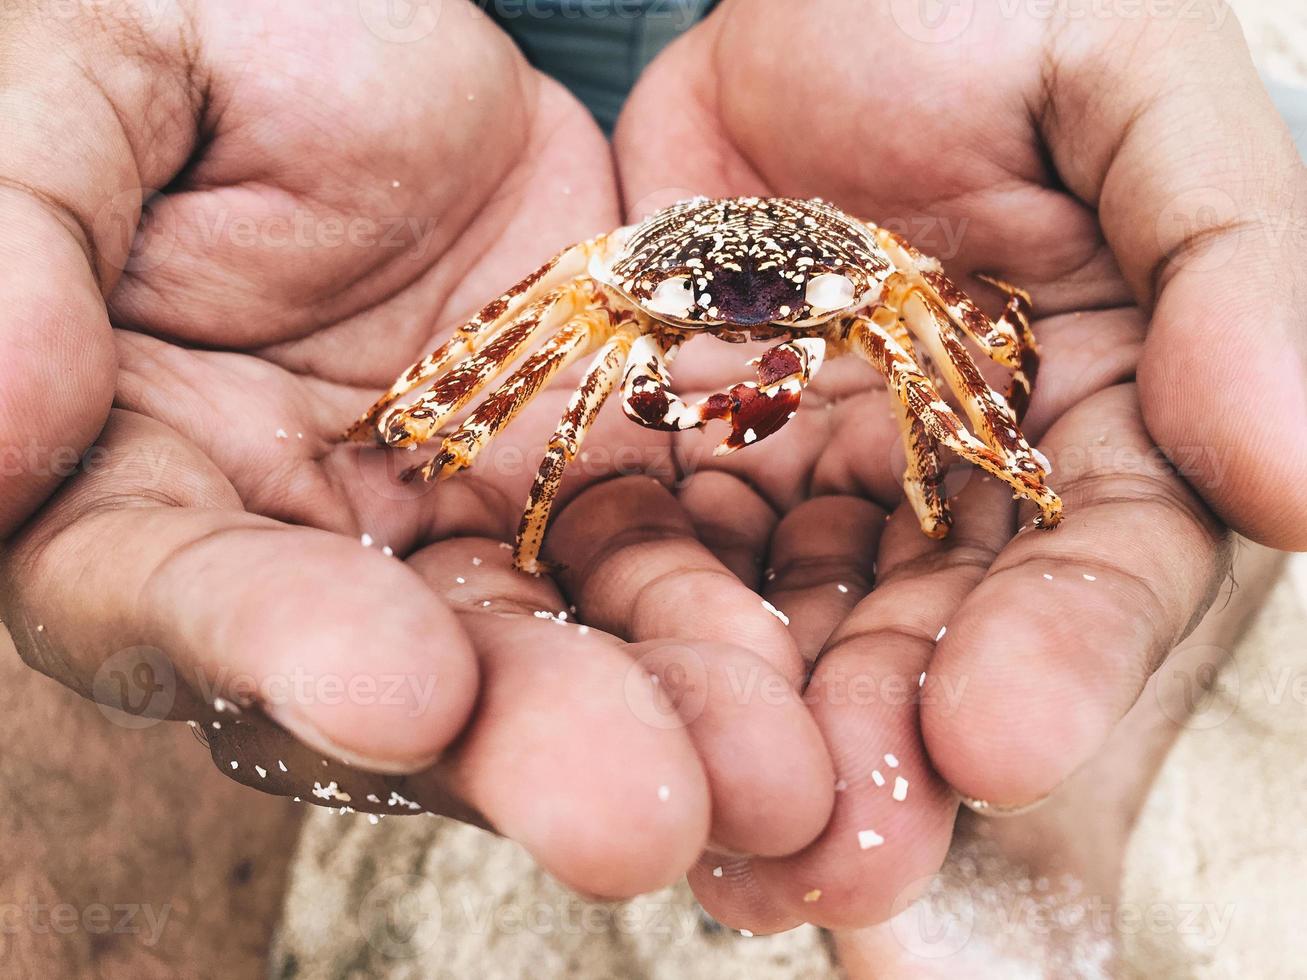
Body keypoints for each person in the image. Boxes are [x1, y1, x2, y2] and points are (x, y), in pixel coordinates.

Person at [0, 0, 1303, 954]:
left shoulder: (895, 274)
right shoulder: (575, 287)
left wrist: (978, 442)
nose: (745, 314)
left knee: (1128, 332)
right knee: (208, 495)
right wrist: (453, 431)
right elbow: (501, 350)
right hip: (407, 101)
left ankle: (1038, 787)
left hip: (871, 104)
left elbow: (994, 327)